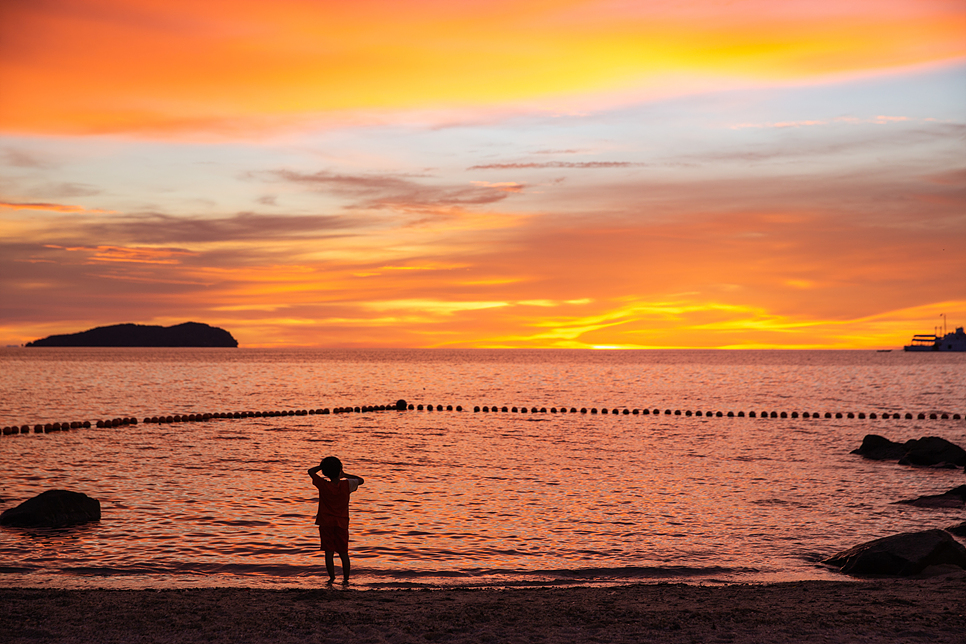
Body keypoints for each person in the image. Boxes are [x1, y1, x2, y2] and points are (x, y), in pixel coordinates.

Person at [308, 456, 364, 585]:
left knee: (329, 552)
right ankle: (346, 579)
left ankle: (332, 578)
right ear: (340, 470)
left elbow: (310, 471)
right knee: (344, 553)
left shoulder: (323, 485)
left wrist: (322, 467)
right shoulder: (346, 484)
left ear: (325, 472)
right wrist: (344, 474)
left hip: (325, 522)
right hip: (342, 523)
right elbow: (361, 480)